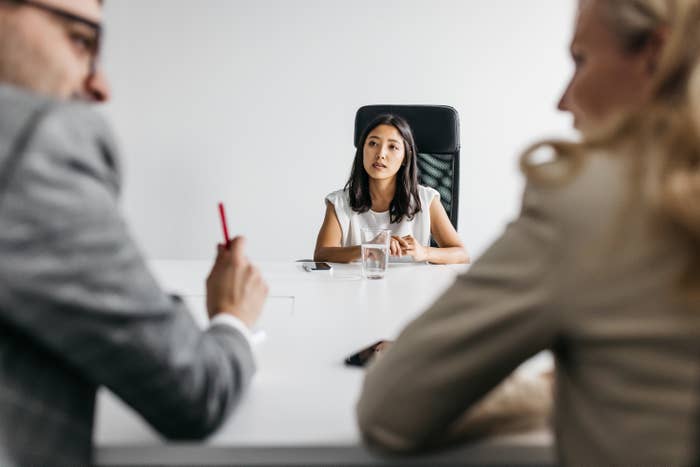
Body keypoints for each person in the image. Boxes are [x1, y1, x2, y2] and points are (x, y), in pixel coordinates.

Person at [357, 0, 700, 464]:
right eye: (373, 144)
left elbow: (389, 408)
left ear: (655, 54)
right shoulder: (344, 199)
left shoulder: (583, 202)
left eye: (581, 59)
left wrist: (548, 391)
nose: (564, 99)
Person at [0, 0, 268, 465]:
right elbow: (194, 391)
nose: (100, 86)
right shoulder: (33, 140)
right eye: (81, 39)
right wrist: (232, 318)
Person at [314, 114, 469, 264]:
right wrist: (369, 248)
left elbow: (462, 255)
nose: (380, 154)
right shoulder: (339, 202)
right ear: (362, 150)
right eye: (373, 144)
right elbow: (321, 254)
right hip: (359, 286)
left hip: (412, 288)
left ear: (405, 158)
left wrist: (424, 252)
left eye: (393, 147)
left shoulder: (426, 199)